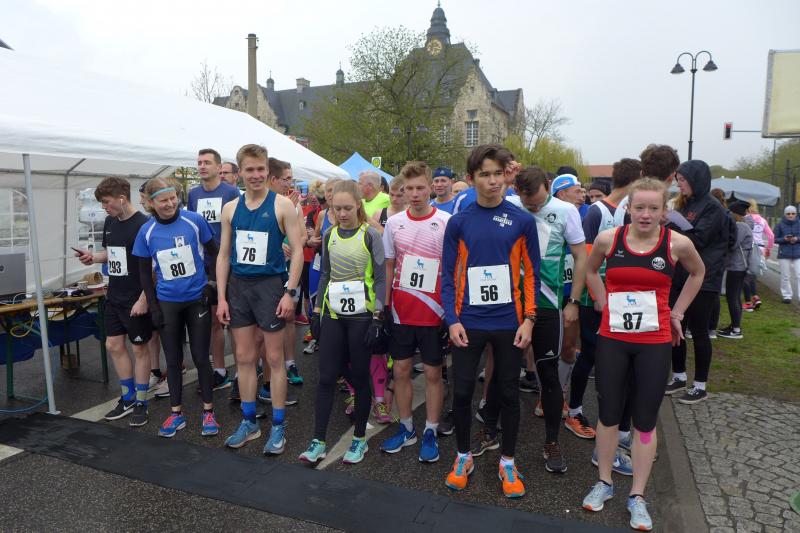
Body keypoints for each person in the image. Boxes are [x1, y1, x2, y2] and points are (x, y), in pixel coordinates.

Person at [581, 178, 704, 531]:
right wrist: (602, 301)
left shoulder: (677, 243)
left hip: (654, 341)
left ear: (664, 211)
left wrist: (678, 312)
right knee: (608, 413)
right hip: (613, 338)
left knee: (645, 420)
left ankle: (637, 495)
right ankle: (604, 482)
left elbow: (698, 273)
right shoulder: (609, 239)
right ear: (629, 208)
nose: (646, 214)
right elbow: (589, 269)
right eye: (639, 207)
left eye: (653, 208)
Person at [441, 144, 540, 498]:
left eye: (498, 173)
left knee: (509, 392)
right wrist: (452, 320)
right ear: (471, 179)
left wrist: (529, 320)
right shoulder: (459, 222)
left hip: (509, 321)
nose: (493, 181)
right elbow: (447, 275)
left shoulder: (522, 220)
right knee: (463, 391)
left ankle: (508, 461)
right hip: (468, 321)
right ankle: (463, 456)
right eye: (485, 174)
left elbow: (532, 274)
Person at [216, 144, 304, 453]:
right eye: (250, 169)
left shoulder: (282, 205)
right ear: (240, 172)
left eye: (261, 169)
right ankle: (249, 421)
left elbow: (298, 251)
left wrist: (290, 292)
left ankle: (278, 426)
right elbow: (224, 255)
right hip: (240, 288)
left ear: (267, 171)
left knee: (275, 359)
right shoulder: (230, 209)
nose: (256, 175)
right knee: (243, 358)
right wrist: (222, 298)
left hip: (270, 286)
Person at [299, 180, 386, 465]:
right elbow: (325, 274)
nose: (343, 213)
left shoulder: (370, 235)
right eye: (337, 208)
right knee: (326, 377)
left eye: (348, 208)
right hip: (334, 314)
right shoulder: (329, 235)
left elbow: (381, 278)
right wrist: (316, 311)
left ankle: (359, 438)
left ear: (358, 205)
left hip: (362, 315)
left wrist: (378, 316)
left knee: (359, 377)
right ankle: (318, 440)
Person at [133, 177, 220, 438]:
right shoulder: (146, 231)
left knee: (201, 357)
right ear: (151, 203)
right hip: (168, 302)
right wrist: (153, 306)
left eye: (173, 198)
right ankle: (176, 413)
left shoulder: (194, 220)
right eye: (163, 200)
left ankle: (208, 411)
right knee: (172, 360)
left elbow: (215, 252)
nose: (170, 204)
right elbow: (144, 273)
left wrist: (212, 283)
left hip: (196, 299)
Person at [513, 166, 586, 473]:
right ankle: (491, 429)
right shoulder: (510, 205)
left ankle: (552, 441)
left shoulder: (566, 211)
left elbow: (581, 257)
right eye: (527, 202)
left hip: (547, 303)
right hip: (512, 302)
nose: (533, 207)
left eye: (538, 201)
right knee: (504, 370)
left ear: (548, 186)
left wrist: (574, 301)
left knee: (549, 373)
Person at [568, 158, 641, 458]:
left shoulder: (628, 211)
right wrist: (596, 296)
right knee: (590, 355)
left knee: (617, 361)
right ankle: (574, 409)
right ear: (634, 181)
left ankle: (615, 427)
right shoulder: (596, 211)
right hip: (594, 299)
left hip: (620, 297)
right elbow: (586, 259)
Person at [379, 162, 451, 462]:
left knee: (433, 373)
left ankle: (430, 430)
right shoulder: (394, 223)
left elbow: (453, 269)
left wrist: (451, 311)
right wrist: (384, 306)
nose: (415, 193)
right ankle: (406, 427)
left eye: (421, 187)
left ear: (430, 187)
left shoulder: (446, 221)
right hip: (401, 311)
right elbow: (389, 265)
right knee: (400, 371)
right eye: (409, 188)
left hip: (434, 312)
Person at [76, 177, 153, 426]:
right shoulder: (110, 222)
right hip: (115, 296)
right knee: (113, 345)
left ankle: (141, 401)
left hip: (136, 298)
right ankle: (128, 398)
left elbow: (153, 266)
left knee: (139, 349)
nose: (103, 207)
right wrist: (93, 257)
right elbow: (110, 253)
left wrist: (144, 298)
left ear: (121, 199)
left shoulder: (144, 225)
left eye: (106, 202)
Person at [665, 160, 730, 404]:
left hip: (705, 277)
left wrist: (670, 225)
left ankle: (700, 385)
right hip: (680, 275)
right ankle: (679, 375)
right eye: (678, 180)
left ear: (697, 180)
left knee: (699, 331)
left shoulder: (713, 208)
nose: (680, 185)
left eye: (683, 180)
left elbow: (699, 239)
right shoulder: (687, 203)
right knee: (675, 325)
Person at [187, 148, 241, 391]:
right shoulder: (193, 194)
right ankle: (219, 370)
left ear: (219, 167)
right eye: (199, 162)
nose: (202, 166)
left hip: (230, 262)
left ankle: (241, 370)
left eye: (207, 162)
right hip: (206, 265)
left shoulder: (230, 192)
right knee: (213, 321)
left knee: (237, 322)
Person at [717, 201, 753, 339]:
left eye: (730, 212)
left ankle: (736, 330)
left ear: (735, 213)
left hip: (737, 266)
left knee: (732, 297)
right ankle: (734, 326)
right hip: (739, 266)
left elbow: (733, 244)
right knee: (735, 297)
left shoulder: (740, 226)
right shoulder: (744, 225)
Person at [742, 199, 774, 310]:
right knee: (752, 276)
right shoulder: (762, 220)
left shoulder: (745, 218)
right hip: (760, 249)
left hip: (749, 248)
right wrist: (768, 249)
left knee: (744, 276)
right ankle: (755, 297)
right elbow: (771, 236)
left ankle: (748, 303)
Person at [774, 205, 800, 304]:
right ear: (785, 214)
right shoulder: (779, 225)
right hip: (784, 253)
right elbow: (774, 239)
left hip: (798, 252)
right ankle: (786, 295)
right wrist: (784, 239)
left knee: (799, 274)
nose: (791, 215)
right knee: (785, 276)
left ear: (796, 214)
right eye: (788, 213)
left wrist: (797, 239)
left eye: (793, 213)